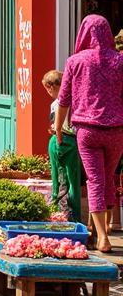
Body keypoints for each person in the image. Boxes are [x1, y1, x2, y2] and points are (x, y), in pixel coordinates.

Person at [57, 14, 123, 253]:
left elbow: (63, 99)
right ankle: (104, 226)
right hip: (116, 131)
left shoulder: (75, 61)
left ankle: (102, 237)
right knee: (108, 178)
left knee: (95, 179)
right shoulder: (120, 61)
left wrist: (57, 127)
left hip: (87, 131)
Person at [45, 69, 81, 222]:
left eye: (47, 89)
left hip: (63, 141)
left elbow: (59, 126)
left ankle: (65, 214)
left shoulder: (60, 102)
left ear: (52, 86)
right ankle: (69, 215)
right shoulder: (72, 100)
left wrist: (57, 135)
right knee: (68, 179)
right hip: (66, 140)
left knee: (62, 179)